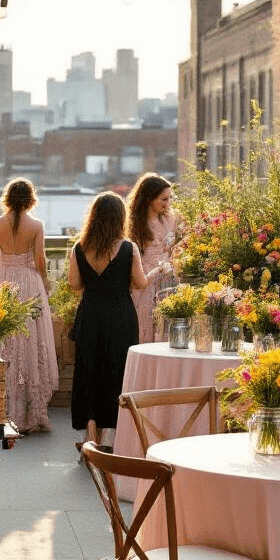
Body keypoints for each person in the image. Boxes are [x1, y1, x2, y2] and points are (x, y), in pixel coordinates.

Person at [68, 191, 167, 451]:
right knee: (116, 373)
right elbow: (140, 283)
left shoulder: (79, 247)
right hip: (120, 318)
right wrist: (157, 269)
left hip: (90, 315)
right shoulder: (127, 247)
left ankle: (89, 433)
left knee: (88, 372)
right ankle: (109, 438)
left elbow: (74, 284)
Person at [0, 178, 59, 434]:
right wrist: (46, 283)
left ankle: (5, 408)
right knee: (31, 340)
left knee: (6, 340)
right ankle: (32, 411)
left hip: (4, 282)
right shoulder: (36, 225)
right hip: (29, 283)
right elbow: (40, 260)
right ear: (30, 199)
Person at [126, 173, 179, 343]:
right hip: (144, 279)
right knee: (145, 323)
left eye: (169, 198)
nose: (168, 203)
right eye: (163, 199)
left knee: (167, 323)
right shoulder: (133, 223)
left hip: (169, 279)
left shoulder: (171, 219)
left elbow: (178, 245)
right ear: (149, 199)